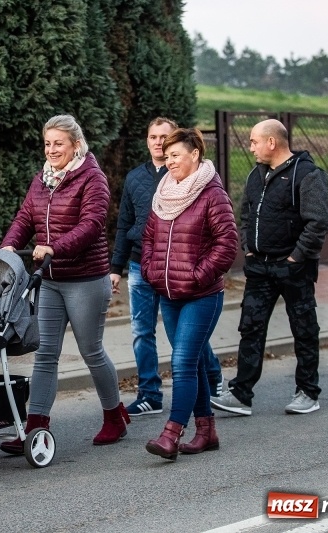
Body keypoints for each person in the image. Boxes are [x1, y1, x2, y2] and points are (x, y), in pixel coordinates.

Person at [0, 114, 128, 452]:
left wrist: (55, 246)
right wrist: (9, 245)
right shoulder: (41, 179)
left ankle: (114, 416)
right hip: (51, 280)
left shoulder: (92, 178)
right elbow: (25, 217)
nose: (52, 149)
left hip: (86, 279)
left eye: (59, 143)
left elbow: (92, 224)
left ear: (75, 145)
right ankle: (34, 427)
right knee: (45, 355)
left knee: (91, 351)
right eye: (47, 143)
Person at [211, 119, 328, 416]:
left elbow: (319, 223)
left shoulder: (307, 174)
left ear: (272, 142)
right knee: (250, 328)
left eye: (254, 141)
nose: (250, 147)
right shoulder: (257, 174)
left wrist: (296, 257)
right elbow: (247, 212)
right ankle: (241, 394)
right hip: (260, 268)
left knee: (304, 329)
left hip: (294, 269)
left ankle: (307, 392)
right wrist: (249, 248)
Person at [110, 117, 228, 417]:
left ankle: (199, 399)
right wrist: (121, 267)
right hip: (146, 270)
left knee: (186, 349)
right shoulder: (140, 179)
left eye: (166, 138)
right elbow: (131, 226)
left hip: (189, 280)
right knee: (143, 332)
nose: (159, 144)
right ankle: (151, 394)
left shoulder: (201, 185)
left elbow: (225, 243)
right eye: (153, 137)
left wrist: (196, 275)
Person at [140, 128, 238, 461]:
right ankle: (207, 430)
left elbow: (227, 245)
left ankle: (171, 433)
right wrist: (152, 271)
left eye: (176, 155)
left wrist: (198, 275)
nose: (169, 162)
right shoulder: (163, 192)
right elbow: (149, 240)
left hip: (202, 295)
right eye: (166, 157)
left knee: (181, 361)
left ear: (195, 154)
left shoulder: (212, 194)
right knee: (191, 361)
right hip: (168, 294)